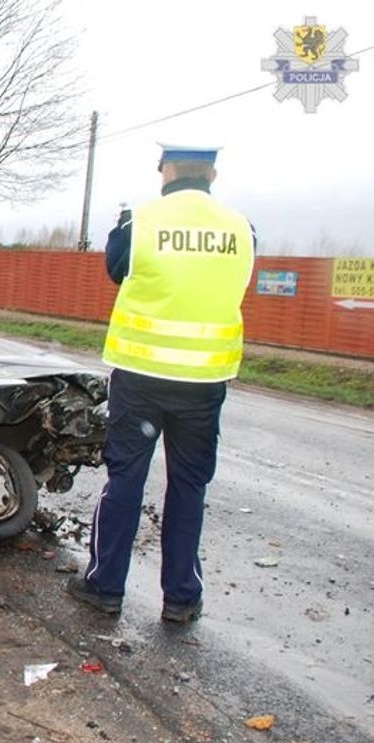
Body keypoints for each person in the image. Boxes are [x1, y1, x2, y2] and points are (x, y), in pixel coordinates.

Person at [66, 143, 255, 623]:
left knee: (125, 479)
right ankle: (181, 598)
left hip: (142, 378)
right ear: (212, 171)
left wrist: (120, 224)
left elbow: (114, 268)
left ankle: (105, 585)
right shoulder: (241, 228)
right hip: (204, 382)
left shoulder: (142, 223)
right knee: (189, 487)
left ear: (166, 171)